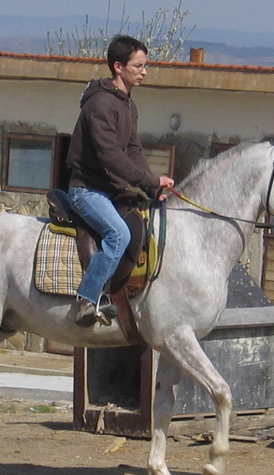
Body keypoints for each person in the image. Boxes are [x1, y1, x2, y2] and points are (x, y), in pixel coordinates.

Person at [66, 34, 175, 327]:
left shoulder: (128, 104)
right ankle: (87, 300)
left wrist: (154, 187)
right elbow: (110, 156)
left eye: (145, 65)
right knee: (119, 235)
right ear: (118, 66)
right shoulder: (100, 104)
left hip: (111, 191)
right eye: (138, 66)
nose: (144, 71)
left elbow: (133, 150)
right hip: (87, 190)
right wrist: (148, 178)